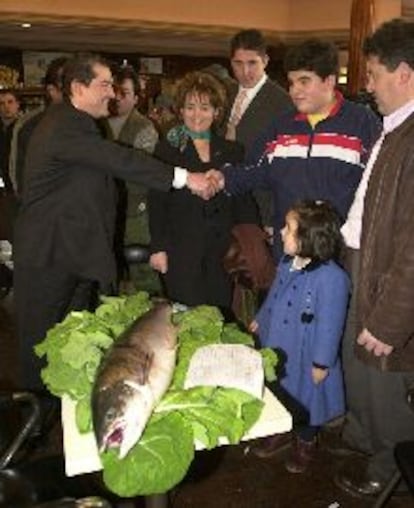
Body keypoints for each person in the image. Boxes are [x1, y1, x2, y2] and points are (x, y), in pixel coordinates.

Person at [13, 54, 216, 391]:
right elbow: (118, 159)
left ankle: (61, 416)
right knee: (40, 347)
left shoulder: (76, 123)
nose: (114, 93)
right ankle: (31, 428)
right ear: (79, 88)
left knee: (69, 344)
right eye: (105, 85)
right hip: (49, 257)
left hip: (69, 255)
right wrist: (185, 178)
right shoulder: (65, 123)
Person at [333, 19, 414, 498]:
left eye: (376, 74)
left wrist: (389, 321)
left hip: (389, 280)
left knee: (387, 387)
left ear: (404, 74)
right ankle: (370, 443)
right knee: (360, 373)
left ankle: (393, 471)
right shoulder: (395, 127)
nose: (368, 85)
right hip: (367, 266)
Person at [211, 38, 381, 262]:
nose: (295, 91)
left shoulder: (361, 123)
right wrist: (220, 179)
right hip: (288, 253)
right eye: (291, 83)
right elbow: (254, 170)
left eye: (304, 82)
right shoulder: (281, 126)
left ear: (329, 81)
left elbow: (381, 186)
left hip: (340, 255)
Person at [148, 71, 259, 318]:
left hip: (224, 253)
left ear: (217, 112)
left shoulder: (232, 152)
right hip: (181, 250)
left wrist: (253, 242)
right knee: (185, 319)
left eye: (205, 108)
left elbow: (244, 200)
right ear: (180, 110)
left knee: (222, 318)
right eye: (190, 107)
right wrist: (158, 248)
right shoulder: (166, 150)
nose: (197, 115)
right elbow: (156, 202)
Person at [250, 200, 349, 473]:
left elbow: (331, 325)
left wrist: (321, 363)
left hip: (307, 353)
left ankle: (305, 440)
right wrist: (260, 319)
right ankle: (282, 428)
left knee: (307, 400)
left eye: (289, 228)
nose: (281, 232)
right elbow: (273, 297)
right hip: (279, 343)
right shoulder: (287, 263)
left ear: (310, 237)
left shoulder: (332, 278)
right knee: (280, 389)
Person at [224, 28, 293, 230]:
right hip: (224, 201)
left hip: (261, 207)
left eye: (252, 63)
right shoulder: (224, 94)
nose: (245, 71)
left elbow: (283, 166)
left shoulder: (282, 102)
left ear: (265, 61)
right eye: (238, 63)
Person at [105, 65, 160, 294]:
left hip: (136, 214)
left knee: (143, 276)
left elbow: (144, 176)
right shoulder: (98, 124)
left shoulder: (144, 128)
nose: (117, 97)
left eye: (124, 93)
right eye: (114, 90)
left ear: (136, 98)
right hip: (107, 212)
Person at [9, 56, 68, 198]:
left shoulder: (90, 122)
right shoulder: (29, 126)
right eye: (67, 84)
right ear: (52, 90)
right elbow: (19, 176)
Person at [0, 89, 20, 193]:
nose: (6, 107)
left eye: (10, 102)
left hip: (19, 184)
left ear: (17, 104)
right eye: (2, 103)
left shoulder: (24, 129)